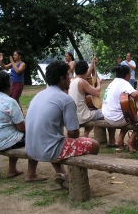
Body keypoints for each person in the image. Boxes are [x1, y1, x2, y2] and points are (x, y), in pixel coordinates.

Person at [25, 61, 99, 189]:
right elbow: (73, 133)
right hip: (49, 150)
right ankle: (75, 178)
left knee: (56, 139)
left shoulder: (38, 95)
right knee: (94, 145)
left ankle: (37, 173)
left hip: (30, 148)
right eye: (68, 75)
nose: (70, 79)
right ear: (61, 78)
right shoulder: (65, 100)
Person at [0, 71, 48, 182]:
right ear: (7, 84)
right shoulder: (10, 102)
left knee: (14, 134)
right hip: (3, 142)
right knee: (33, 136)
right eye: (10, 81)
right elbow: (22, 128)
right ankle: (31, 174)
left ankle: (12, 170)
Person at [101, 65, 138, 153]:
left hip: (107, 116)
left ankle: (120, 140)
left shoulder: (113, 82)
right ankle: (130, 141)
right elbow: (135, 95)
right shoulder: (124, 83)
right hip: (116, 119)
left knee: (128, 115)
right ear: (127, 75)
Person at [68, 59, 109, 139]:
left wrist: (92, 64)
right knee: (105, 112)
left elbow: (86, 75)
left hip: (73, 115)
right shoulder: (82, 82)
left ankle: (86, 135)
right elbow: (96, 92)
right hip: (82, 116)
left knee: (91, 109)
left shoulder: (72, 80)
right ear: (86, 70)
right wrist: (99, 84)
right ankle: (111, 139)